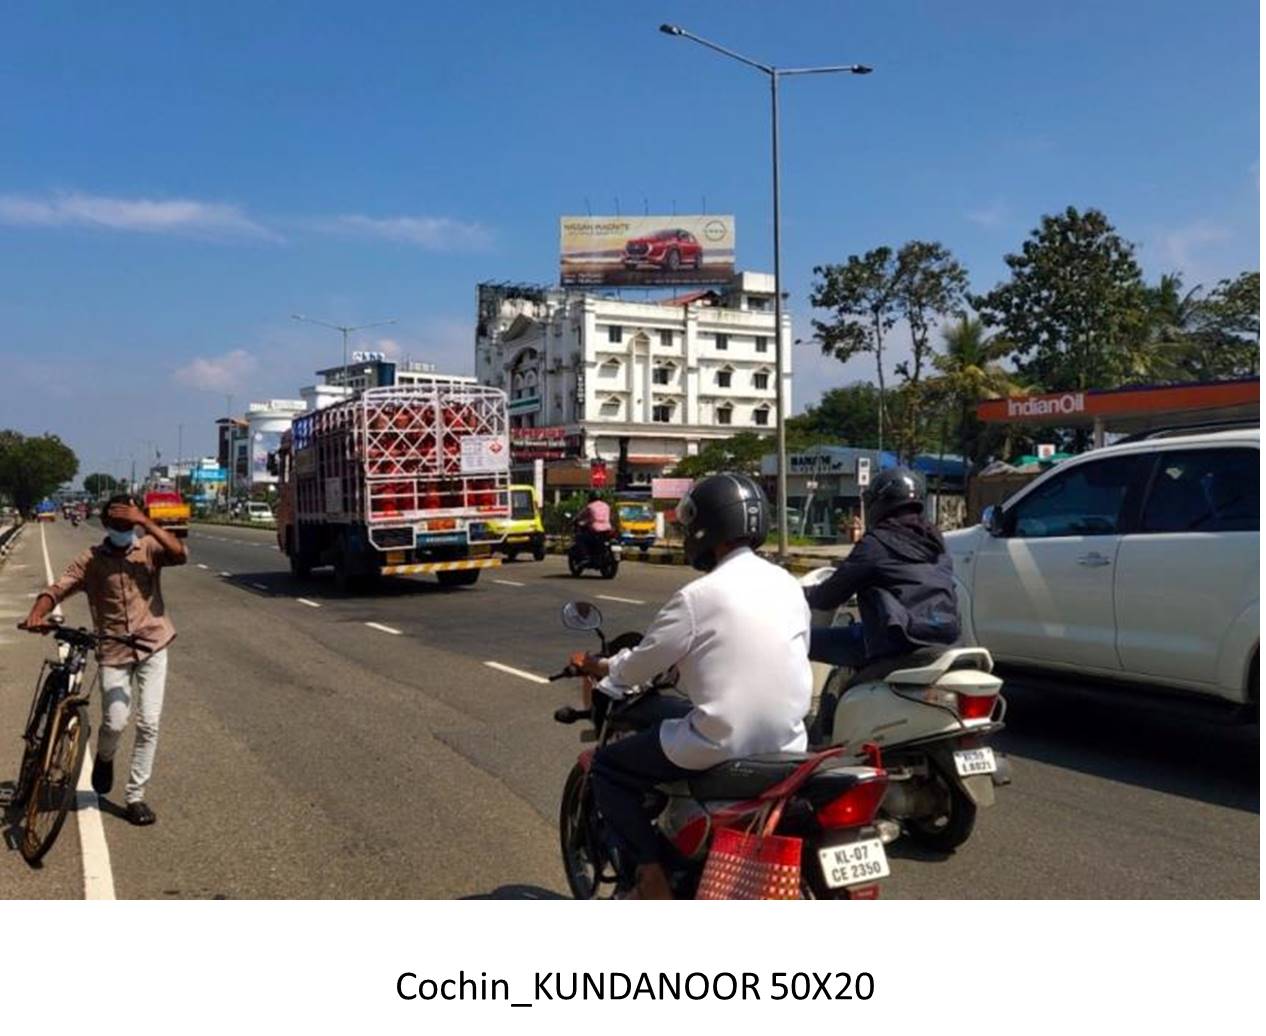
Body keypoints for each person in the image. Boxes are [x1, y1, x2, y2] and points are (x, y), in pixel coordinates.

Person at [571, 473, 812, 899]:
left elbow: (641, 664)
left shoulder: (697, 597)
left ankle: (651, 876)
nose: (686, 537)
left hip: (721, 744)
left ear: (709, 528)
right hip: (789, 742)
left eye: (689, 527)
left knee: (608, 766)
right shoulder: (787, 583)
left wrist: (600, 667)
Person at [20, 492, 188, 825]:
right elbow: (59, 587)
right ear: (106, 522)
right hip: (113, 649)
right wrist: (37, 613)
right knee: (115, 721)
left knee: (149, 724)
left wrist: (145, 522)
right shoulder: (92, 559)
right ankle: (105, 756)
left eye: (129, 515)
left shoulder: (149, 548)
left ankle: (135, 797)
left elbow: (179, 553)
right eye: (116, 516)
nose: (122, 521)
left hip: (154, 643)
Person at [804, 466, 960, 674]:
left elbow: (828, 597)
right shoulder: (936, 542)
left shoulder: (876, 543)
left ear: (879, 504)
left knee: (804, 641)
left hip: (897, 641)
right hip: (944, 641)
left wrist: (797, 592)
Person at [573, 490, 613, 559]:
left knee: (579, 538)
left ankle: (585, 555)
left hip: (595, 529)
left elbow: (581, 515)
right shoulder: (606, 506)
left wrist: (575, 520)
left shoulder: (590, 506)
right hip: (607, 528)